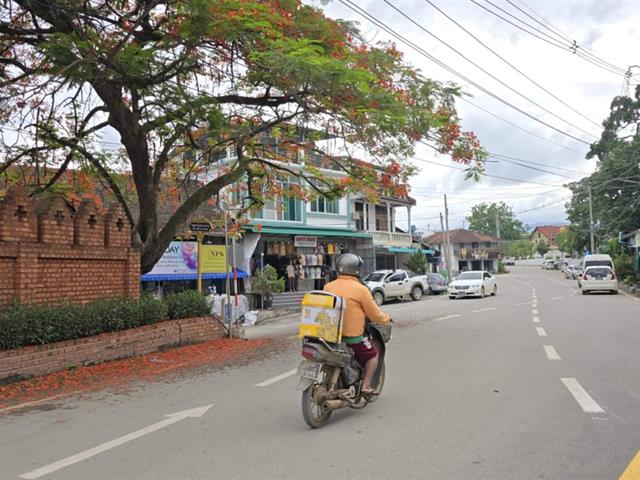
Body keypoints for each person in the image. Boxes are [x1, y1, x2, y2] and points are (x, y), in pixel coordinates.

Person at [323, 253, 391, 395]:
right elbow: (375, 315)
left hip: (329, 338)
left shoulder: (328, 287)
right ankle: (366, 386)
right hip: (352, 338)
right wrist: (386, 319)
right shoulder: (361, 289)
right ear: (356, 269)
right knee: (372, 356)